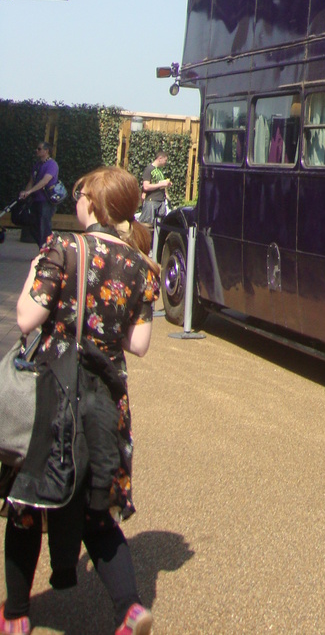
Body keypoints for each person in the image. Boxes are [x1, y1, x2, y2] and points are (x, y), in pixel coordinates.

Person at [2, 167, 159, 635]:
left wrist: (34, 275)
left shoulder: (63, 248)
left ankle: (14, 618)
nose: (77, 201)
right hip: (106, 398)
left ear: (93, 203)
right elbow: (140, 343)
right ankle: (130, 610)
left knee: (28, 507)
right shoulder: (138, 264)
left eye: (80, 195)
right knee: (98, 509)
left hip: (53, 393)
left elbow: (29, 317)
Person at [16, 142, 59, 249]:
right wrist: (25, 193)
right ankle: (42, 248)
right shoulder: (37, 165)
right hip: (36, 200)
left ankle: (48, 251)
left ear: (46, 151)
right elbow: (31, 181)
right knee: (32, 225)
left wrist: (29, 192)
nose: (37, 150)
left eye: (39, 149)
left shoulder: (52, 165)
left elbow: (45, 181)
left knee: (44, 226)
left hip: (46, 201)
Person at [137, 153, 171, 227]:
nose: (166, 162)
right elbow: (146, 186)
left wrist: (166, 185)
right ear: (160, 159)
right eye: (165, 160)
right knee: (146, 224)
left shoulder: (159, 170)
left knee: (160, 225)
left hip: (161, 201)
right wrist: (161, 184)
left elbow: (159, 184)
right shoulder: (149, 169)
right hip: (151, 201)